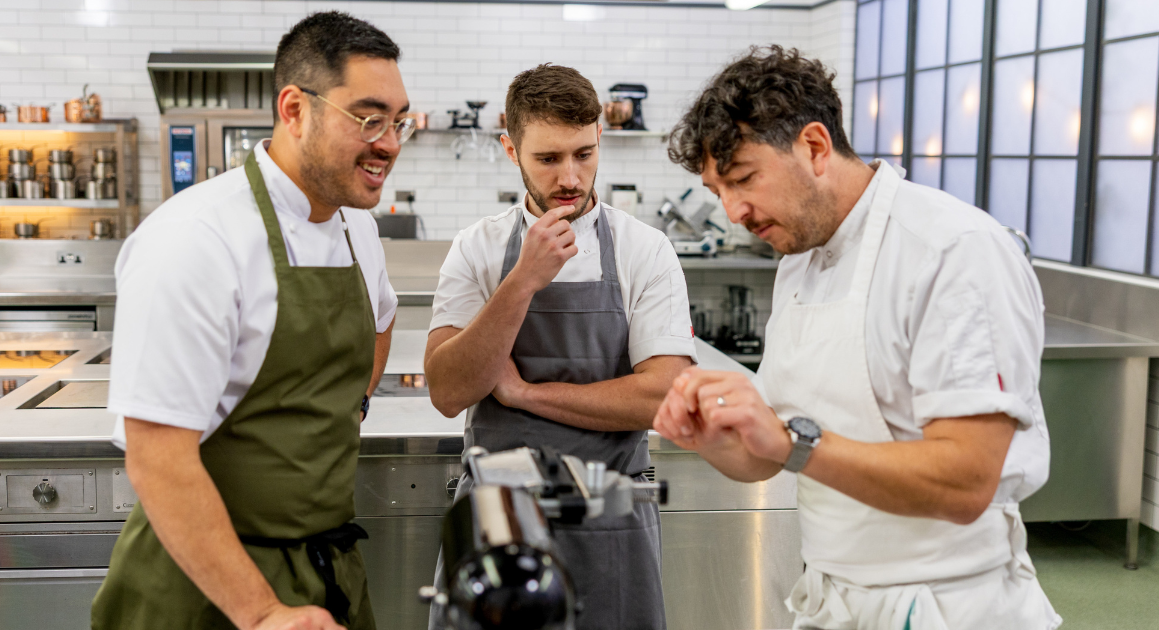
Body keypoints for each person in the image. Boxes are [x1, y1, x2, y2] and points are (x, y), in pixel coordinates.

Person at [654, 46, 1062, 630]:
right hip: (834, 597)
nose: (734, 211)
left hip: (947, 603)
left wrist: (793, 443)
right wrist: (712, 438)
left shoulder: (951, 250)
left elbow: (966, 481)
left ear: (815, 148)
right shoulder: (800, 256)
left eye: (743, 179)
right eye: (720, 192)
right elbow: (769, 454)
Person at [91, 12, 413, 630]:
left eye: (399, 122)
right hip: (207, 588)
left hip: (326, 571)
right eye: (369, 119)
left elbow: (381, 320)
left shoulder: (359, 230)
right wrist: (262, 613)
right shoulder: (195, 238)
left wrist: (350, 405)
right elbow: (157, 457)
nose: (390, 143)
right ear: (295, 109)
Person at [423, 64, 696, 630]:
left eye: (584, 154)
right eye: (548, 159)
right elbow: (449, 391)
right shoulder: (476, 249)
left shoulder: (645, 250)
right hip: (500, 515)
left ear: (600, 139)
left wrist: (526, 395)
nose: (570, 177)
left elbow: (660, 396)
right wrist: (522, 280)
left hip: (611, 512)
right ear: (510, 149)